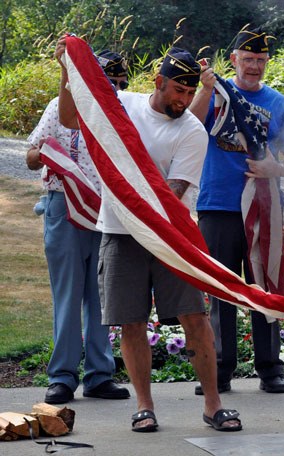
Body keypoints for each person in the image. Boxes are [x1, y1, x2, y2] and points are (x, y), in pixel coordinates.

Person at [55, 39, 242, 432]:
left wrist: (133, 198)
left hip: (172, 236)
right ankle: (144, 407)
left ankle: (213, 405)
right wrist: (67, 73)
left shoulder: (192, 130)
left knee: (195, 316)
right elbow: (72, 120)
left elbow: (171, 193)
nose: (185, 100)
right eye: (179, 90)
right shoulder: (125, 107)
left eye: (192, 92)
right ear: (159, 81)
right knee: (131, 321)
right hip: (119, 233)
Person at [190, 24, 284, 395]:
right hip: (218, 204)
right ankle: (219, 368)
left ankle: (270, 367)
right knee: (221, 288)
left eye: (261, 60)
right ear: (234, 59)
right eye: (248, 59)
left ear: (267, 62)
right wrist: (206, 88)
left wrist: (278, 169)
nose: (254, 66)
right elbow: (189, 124)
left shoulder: (278, 103)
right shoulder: (217, 93)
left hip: (263, 205)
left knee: (265, 282)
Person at [26, 49, 131, 405]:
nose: (115, 89)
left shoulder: (120, 114)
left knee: (102, 298)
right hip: (63, 207)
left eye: (120, 83)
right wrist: (49, 155)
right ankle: (62, 377)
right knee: (68, 296)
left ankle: (100, 375)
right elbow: (28, 157)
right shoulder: (60, 107)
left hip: (106, 212)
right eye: (108, 81)